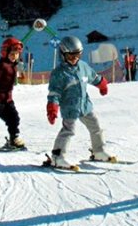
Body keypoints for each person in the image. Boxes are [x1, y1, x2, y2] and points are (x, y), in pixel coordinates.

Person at [46, 35, 113, 168]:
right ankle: (57, 157)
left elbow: (94, 77)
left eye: (77, 55)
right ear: (63, 55)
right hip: (70, 108)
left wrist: (102, 85)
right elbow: (54, 93)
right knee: (68, 131)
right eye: (71, 56)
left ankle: (98, 151)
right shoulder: (59, 73)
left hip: (85, 106)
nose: (74, 59)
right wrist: (52, 108)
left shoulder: (83, 67)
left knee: (96, 127)